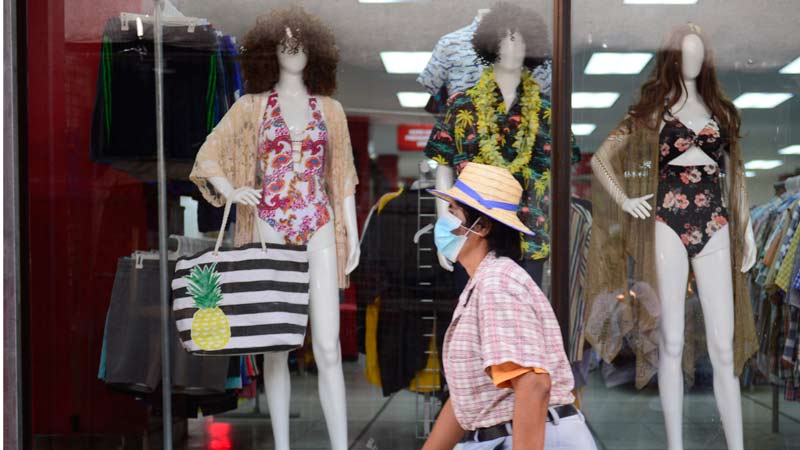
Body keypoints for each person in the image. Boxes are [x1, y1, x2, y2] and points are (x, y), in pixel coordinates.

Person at [422, 162, 597, 450]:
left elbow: (533, 384)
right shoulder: (484, 283)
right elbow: (470, 397)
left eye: (453, 211)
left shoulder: (498, 284)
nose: (444, 220)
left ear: (482, 227)